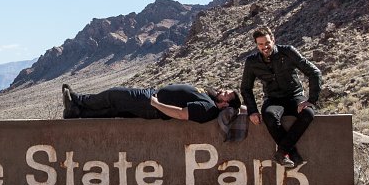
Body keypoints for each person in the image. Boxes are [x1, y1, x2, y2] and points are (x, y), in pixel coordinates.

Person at [240, 25, 323, 168]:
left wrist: (311, 100)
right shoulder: (252, 62)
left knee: (308, 113)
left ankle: (282, 152)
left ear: (273, 40)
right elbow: (246, 88)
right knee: (269, 116)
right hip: (273, 99)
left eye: (267, 43)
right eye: (260, 44)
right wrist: (252, 110)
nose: (265, 47)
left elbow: (314, 72)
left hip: (294, 96)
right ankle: (292, 154)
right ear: (256, 45)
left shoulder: (288, 52)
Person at [62, 83, 240, 123]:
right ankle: (76, 113)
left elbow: (181, 114)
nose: (224, 91)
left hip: (152, 104)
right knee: (115, 110)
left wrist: (156, 104)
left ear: (225, 105)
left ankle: (78, 100)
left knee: (114, 96)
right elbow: (240, 107)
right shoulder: (210, 99)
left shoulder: (208, 108)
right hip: (153, 98)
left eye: (227, 94)